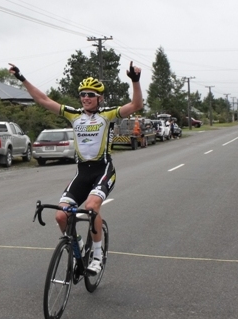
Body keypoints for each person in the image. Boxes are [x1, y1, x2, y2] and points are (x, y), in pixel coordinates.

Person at [9, 61, 143, 274]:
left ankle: (97, 256)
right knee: (61, 216)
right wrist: (22, 78)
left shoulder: (107, 115)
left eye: (90, 94)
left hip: (103, 171)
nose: (86, 98)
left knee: (91, 207)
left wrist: (135, 81)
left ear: (100, 98)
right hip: (82, 172)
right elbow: (42, 100)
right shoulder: (74, 115)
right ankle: (77, 246)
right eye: (82, 94)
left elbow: (135, 105)